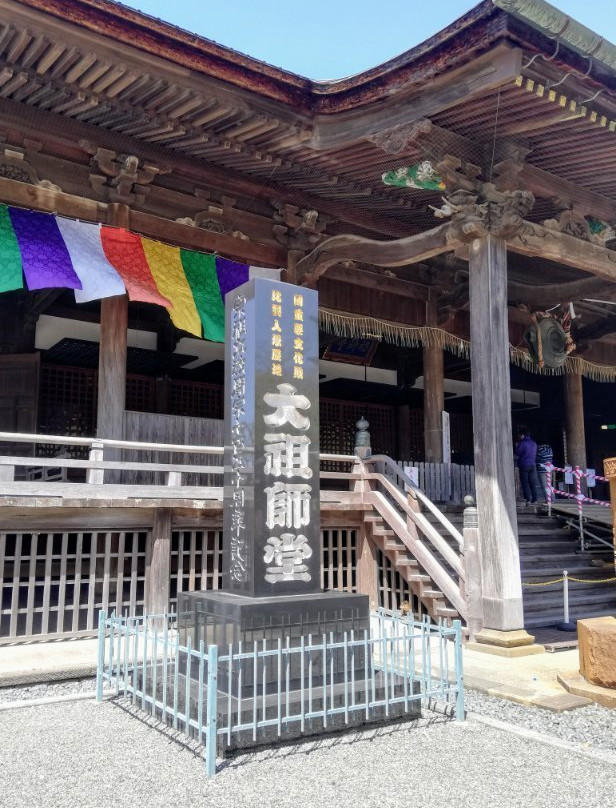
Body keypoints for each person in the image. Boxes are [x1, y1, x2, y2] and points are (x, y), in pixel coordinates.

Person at [514, 427, 538, 505]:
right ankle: (535, 499)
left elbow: (517, 453)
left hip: (524, 465)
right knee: (532, 482)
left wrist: (516, 446)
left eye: (519, 435)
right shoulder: (534, 443)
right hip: (532, 465)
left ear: (522, 435)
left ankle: (528, 499)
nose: (519, 437)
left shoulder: (522, 443)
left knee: (525, 483)